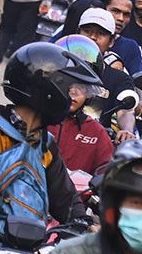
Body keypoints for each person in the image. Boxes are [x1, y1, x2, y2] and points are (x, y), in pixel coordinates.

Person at [0, 42, 103, 240]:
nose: (71, 100)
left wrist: (86, 225)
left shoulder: (45, 145)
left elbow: (65, 200)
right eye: (69, 91)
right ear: (48, 90)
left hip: (23, 247)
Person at [47, 35, 114, 174]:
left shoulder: (97, 133)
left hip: (71, 195)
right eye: (66, 82)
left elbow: (105, 177)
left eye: (82, 86)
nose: (73, 92)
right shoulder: (33, 117)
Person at [76, 7, 138, 143]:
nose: (93, 37)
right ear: (77, 33)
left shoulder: (119, 78)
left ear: (111, 41)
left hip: (94, 141)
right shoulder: (60, 66)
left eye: (101, 34)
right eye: (87, 31)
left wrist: (127, 130)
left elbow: (126, 111)